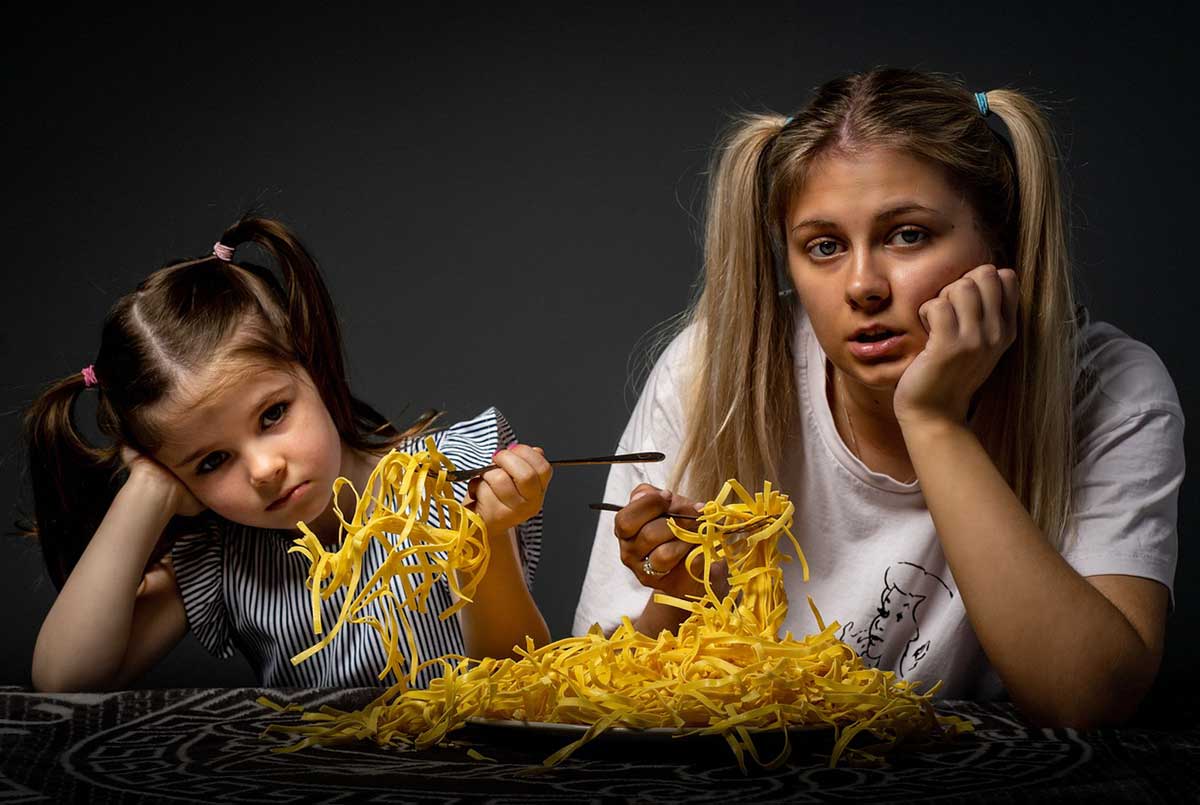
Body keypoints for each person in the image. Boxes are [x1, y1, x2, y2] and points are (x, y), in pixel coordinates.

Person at [573, 68, 1183, 727]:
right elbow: (588, 700)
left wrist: (933, 420)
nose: (863, 285)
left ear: (998, 239)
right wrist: (685, 599)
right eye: (825, 246)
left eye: (907, 235)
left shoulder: (1111, 387)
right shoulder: (708, 372)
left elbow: (1088, 698)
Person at [26, 216, 552, 692]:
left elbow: (520, 682)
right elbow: (65, 678)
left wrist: (487, 536)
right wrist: (148, 489)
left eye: (272, 414)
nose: (263, 470)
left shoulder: (454, 478)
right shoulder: (225, 554)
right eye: (211, 462)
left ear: (311, 365)